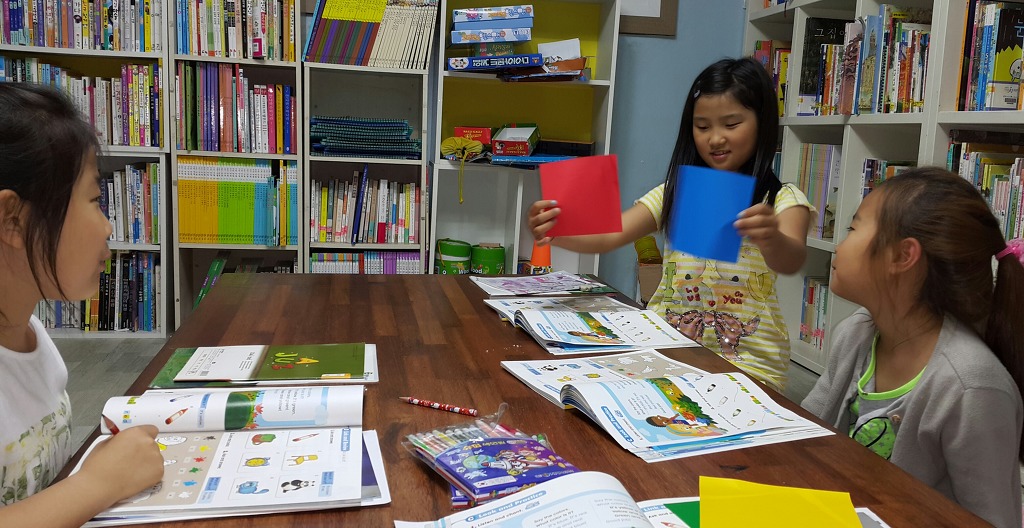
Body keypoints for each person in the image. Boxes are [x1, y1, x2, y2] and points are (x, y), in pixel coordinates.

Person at [527, 57, 812, 390]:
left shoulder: (782, 198)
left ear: (762, 123)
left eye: (731, 124)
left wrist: (772, 237)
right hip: (668, 349)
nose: (715, 138)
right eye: (702, 127)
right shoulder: (676, 192)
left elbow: (792, 259)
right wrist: (558, 229)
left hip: (748, 364)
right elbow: (610, 234)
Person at [801, 167, 1024, 528]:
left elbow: (992, 519)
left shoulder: (972, 387)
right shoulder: (856, 333)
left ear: (902, 256)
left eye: (853, 229)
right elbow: (805, 430)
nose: (839, 245)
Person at [0, 83, 164, 527]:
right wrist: (97, 484)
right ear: (13, 220)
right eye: (94, 200)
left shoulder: (31, 334)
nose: (108, 226)